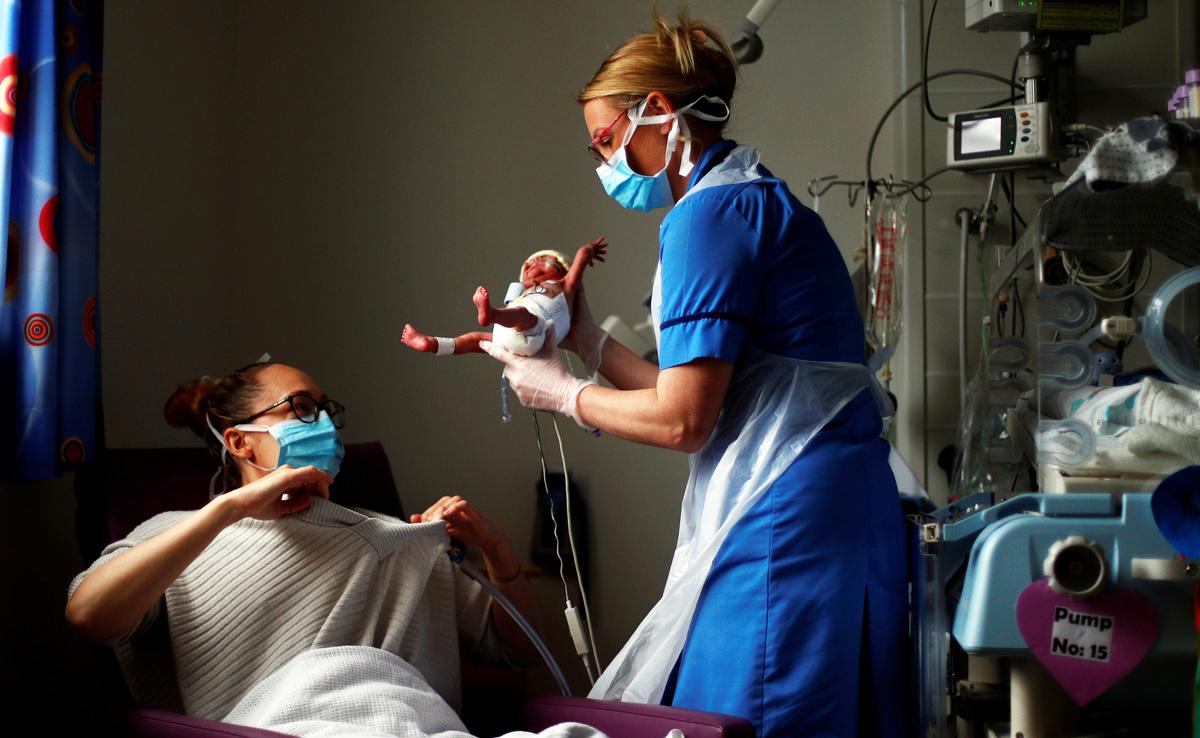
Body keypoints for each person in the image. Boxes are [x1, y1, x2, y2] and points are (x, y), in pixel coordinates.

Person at [480, 9, 910, 738]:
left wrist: (559, 393)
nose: (605, 163)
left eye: (609, 140)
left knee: (755, 717)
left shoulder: (705, 220)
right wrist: (585, 341)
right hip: (838, 499)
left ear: (657, 111)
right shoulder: (756, 199)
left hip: (786, 512)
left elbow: (686, 421)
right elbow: (710, 388)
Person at [65, 361, 540, 723]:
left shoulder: (395, 539)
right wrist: (229, 510)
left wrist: (496, 551)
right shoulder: (181, 534)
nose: (325, 426)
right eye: (302, 408)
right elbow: (90, 616)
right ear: (240, 442)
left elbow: (514, 649)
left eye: (325, 409)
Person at [402, 237, 606, 359]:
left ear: (563, 272)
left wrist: (589, 250)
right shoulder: (521, 294)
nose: (533, 265)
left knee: (524, 316)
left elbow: (580, 258)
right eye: (530, 265)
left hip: (537, 332)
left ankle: (491, 314)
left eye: (546, 264)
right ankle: (432, 343)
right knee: (475, 340)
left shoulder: (565, 286)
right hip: (508, 335)